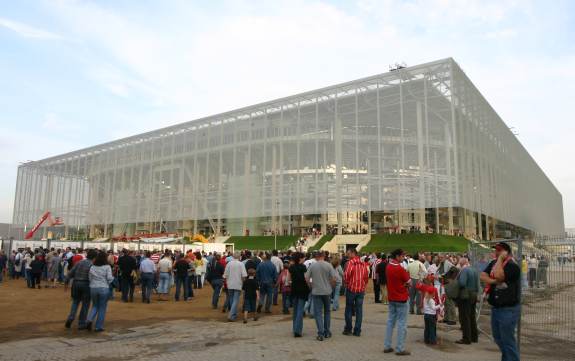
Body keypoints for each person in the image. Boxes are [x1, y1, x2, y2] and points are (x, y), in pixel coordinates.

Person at [480, 242, 521, 361]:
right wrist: (492, 282)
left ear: (505, 252)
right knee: (498, 338)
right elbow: (482, 275)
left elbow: (499, 276)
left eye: (499, 250)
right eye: (495, 250)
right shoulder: (493, 263)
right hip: (496, 308)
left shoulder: (512, 266)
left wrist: (500, 259)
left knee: (508, 341)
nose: (495, 252)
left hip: (508, 309)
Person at [384, 248, 411, 356]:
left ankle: (387, 345)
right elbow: (409, 282)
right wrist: (404, 285)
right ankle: (400, 348)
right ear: (397, 256)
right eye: (402, 256)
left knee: (390, 322)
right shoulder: (400, 268)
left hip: (391, 297)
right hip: (401, 298)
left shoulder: (388, 266)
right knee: (402, 324)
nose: (403, 258)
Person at [305, 251, 337, 341]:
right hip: (327, 292)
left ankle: (320, 333)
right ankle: (327, 331)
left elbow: (307, 278)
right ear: (323, 256)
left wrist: (311, 286)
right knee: (327, 312)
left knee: (318, 313)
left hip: (316, 291)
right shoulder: (328, 265)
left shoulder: (312, 266)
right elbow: (334, 278)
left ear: (316, 256)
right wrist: (331, 287)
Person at [65, 249, 96, 329]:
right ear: (94, 257)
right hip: (86, 284)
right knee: (85, 304)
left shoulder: (80, 262)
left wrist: (67, 281)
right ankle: (81, 323)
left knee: (75, 302)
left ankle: (70, 318)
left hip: (76, 283)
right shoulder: (92, 265)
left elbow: (70, 273)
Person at [343, 248, 369, 337]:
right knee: (359, 310)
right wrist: (363, 285)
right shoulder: (363, 263)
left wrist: (347, 283)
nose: (347, 255)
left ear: (353, 253)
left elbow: (346, 275)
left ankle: (348, 329)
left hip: (351, 289)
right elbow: (366, 276)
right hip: (361, 290)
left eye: (349, 253)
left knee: (349, 309)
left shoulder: (350, 263)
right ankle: (357, 330)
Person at [86, 251, 114, 332]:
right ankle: (98, 326)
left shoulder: (92, 267)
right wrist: (112, 281)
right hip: (103, 288)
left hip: (93, 288)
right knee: (102, 308)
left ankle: (89, 319)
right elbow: (109, 278)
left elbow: (90, 278)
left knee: (95, 305)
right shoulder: (107, 267)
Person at [456, 256, 479, 345]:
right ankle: (474, 336)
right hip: (474, 294)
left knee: (464, 317)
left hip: (466, 295)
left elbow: (462, 283)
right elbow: (477, 283)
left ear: (462, 264)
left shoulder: (464, 270)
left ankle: (466, 338)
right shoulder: (474, 269)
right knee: (472, 316)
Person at [289, 252, 310, 337]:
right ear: (300, 258)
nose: (304, 259)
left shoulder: (291, 267)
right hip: (302, 289)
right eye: (303, 258)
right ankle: (298, 330)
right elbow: (306, 278)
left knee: (295, 310)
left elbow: (288, 279)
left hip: (294, 289)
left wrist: (292, 283)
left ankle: (295, 328)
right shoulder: (303, 267)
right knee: (300, 310)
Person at [223, 252, 247, 321]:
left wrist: (225, 282)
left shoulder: (229, 264)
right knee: (235, 300)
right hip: (238, 284)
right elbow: (244, 276)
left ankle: (234, 314)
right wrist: (243, 283)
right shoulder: (241, 264)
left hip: (230, 284)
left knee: (232, 299)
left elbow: (225, 275)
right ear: (239, 257)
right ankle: (231, 315)